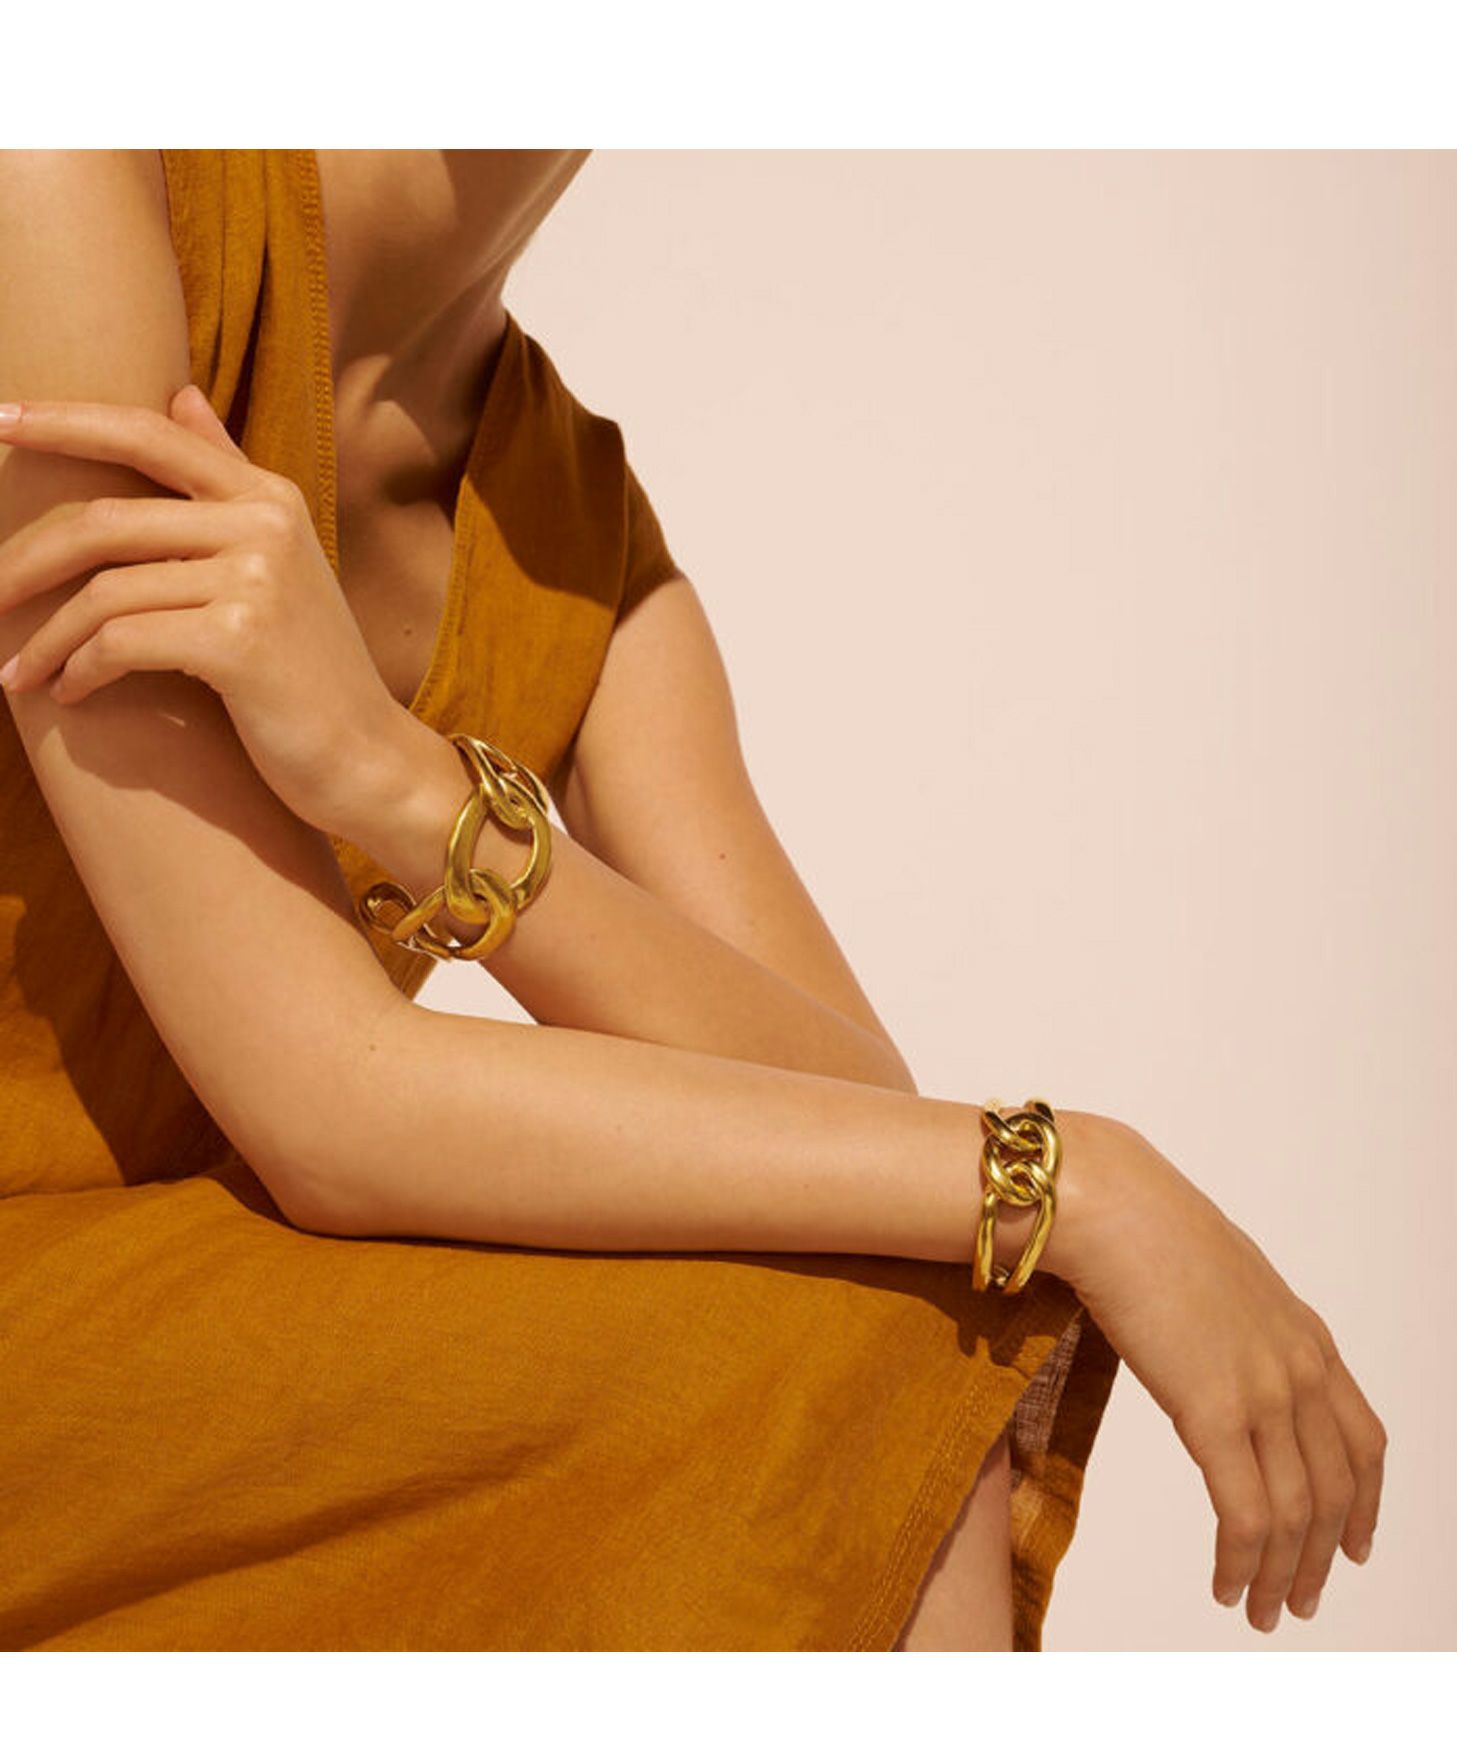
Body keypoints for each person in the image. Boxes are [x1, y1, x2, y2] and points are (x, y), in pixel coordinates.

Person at [0, 148, 1386, 1651]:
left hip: (186, 1343)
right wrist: (1085, 1186)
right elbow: (328, 1102)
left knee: (885, 1341)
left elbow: (846, 1118)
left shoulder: (577, 540)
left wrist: (400, 782)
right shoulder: (72, 178)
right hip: (68, 1343)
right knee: (851, 1378)